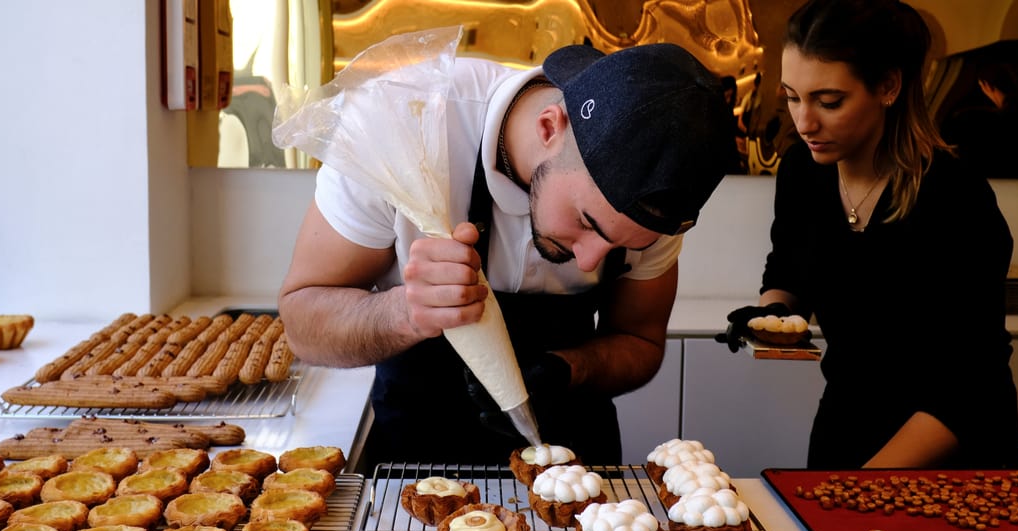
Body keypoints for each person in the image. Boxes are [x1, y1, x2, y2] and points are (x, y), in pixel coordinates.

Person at [278, 42, 735, 470]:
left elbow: (641, 341)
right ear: (549, 127)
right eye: (587, 223)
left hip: (573, 463)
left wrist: (570, 369)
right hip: (416, 462)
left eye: (625, 247)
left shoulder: (659, 194)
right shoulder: (403, 123)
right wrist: (406, 312)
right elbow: (302, 322)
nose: (592, 261)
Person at [716, 0, 1018, 469]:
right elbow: (790, 268)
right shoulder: (804, 170)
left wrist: (861, 485)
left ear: (888, 86)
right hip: (846, 426)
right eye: (793, 97)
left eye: (829, 101)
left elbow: (968, 387)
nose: (804, 123)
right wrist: (771, 316)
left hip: (950, 451)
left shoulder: (956, 199)